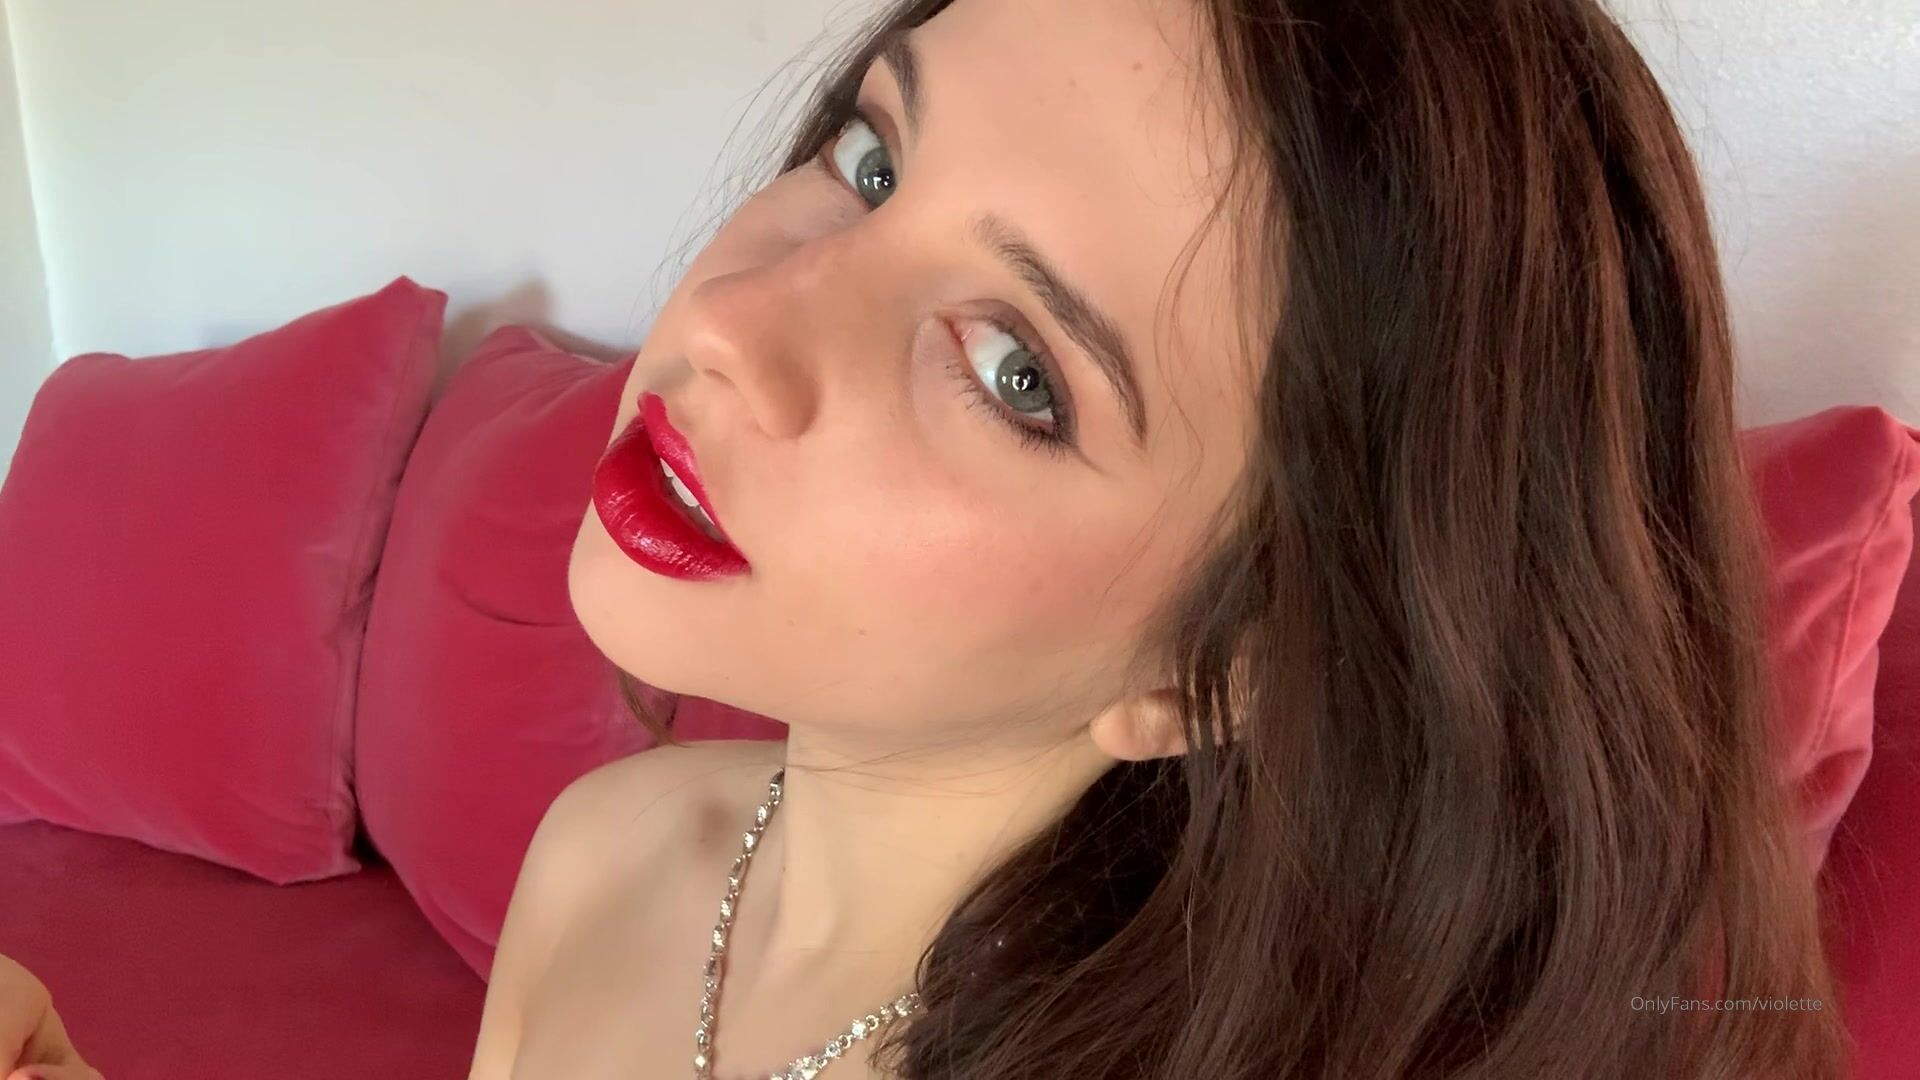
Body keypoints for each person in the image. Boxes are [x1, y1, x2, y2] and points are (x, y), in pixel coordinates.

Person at [3, 0, 1856, 1076]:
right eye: (872, 161)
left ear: (1221, 665)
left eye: (1016, 369)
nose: (735, 324)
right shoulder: (606, 854)